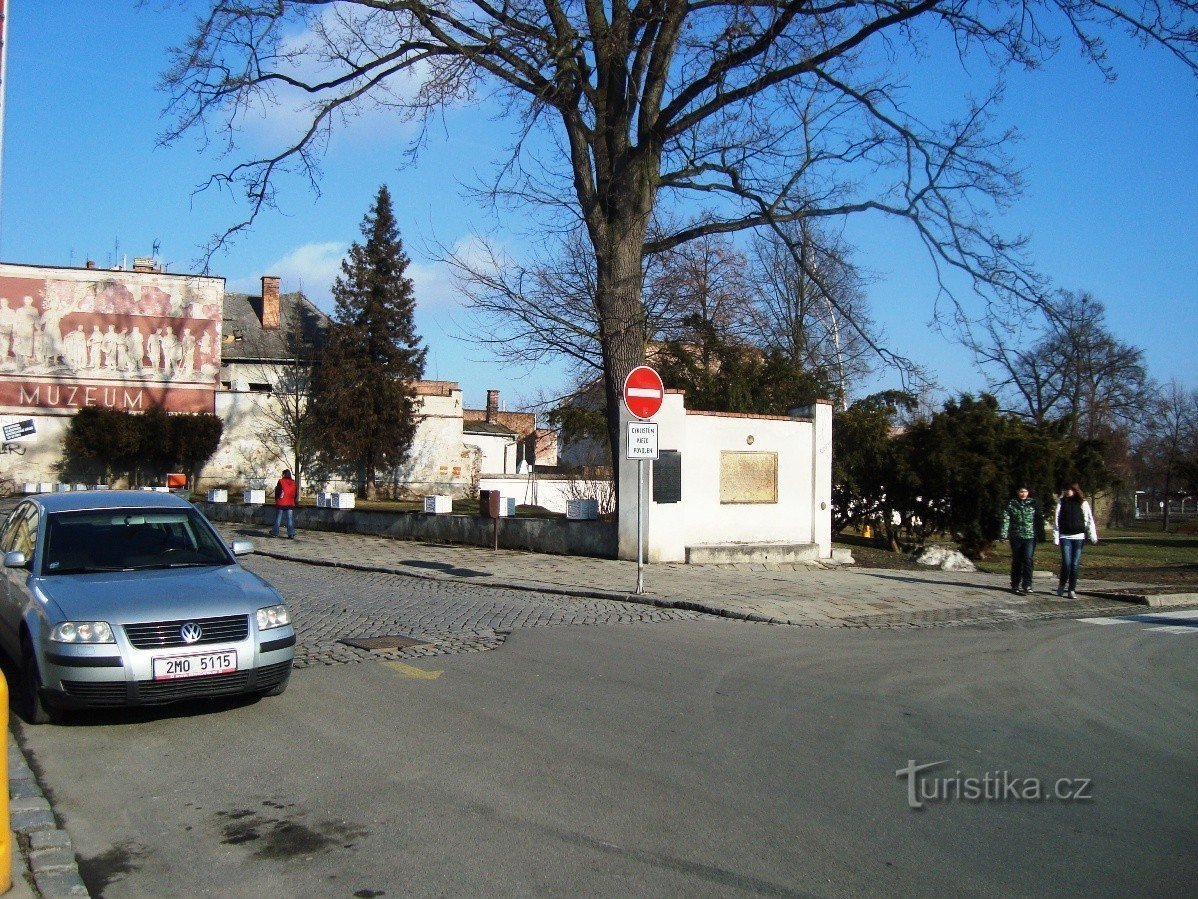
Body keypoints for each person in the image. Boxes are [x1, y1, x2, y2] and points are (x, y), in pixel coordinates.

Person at [1053, 483, 1099, 599]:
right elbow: (1056, 520)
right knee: (1067, 563)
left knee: (1075, 564)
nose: (1067, 492)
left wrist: (1092, 535)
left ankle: (1071, 589)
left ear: (1075, 490)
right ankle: (1062, 584)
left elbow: (1089, 519)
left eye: (1069, 490)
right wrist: (1056, 536)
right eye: (1066, 490)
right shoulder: (1061, 503)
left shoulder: (1082, 503)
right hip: (1065, 537)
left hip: (1079, 537)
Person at [999, 486, 1045, 595]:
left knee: (1028, 560)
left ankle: (1027, 584)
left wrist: (1040, 534)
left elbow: (1038, 520)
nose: (1023, 494)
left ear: (1028, 492)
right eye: (1021, 491)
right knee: (1017, 560)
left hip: (1030, 536)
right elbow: (1006, 519)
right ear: (1017, 492)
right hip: (1016, 536)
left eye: (1025, 491)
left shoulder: (1033, 504)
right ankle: (1015, 584)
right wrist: (1003, 534)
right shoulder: (1012, 504)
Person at [271, 469, 298, 538]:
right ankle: (291, 533)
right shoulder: (293, 482)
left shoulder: (281, 481)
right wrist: (294, 501)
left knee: (278, 518)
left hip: (281, 502)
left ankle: (275, 532)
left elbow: (278, 492)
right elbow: (295, 493)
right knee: (289, 519)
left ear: (284, 474)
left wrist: (276, 499)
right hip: (290, 503)